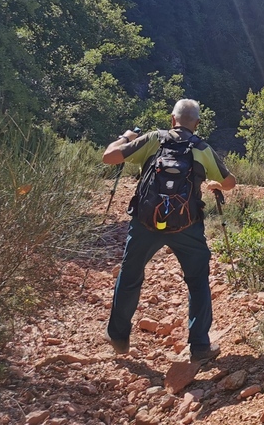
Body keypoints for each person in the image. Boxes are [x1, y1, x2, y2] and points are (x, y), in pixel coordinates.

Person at [101, 98, 236, 363]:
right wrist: (215, 185)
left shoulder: (153, 139)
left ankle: (118, 336)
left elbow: (109, 157)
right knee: (197, 282)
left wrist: (125, 136)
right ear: (196, 124)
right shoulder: (202, 148)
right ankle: (199, 346)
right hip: (187, 226)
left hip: (145, 222)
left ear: (172, 119)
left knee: (130, 275)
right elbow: (229, 181)